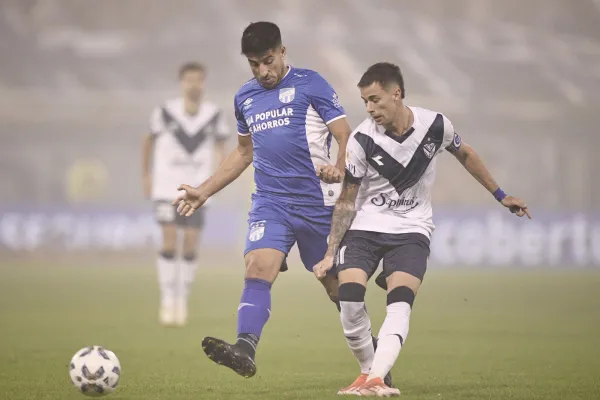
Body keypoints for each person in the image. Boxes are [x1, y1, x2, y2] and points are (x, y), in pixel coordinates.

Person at [313, 62, 531, 397]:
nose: (369, 108)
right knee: (350, 297)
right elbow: (347, 200)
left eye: (375, 99)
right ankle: (368, 373)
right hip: (366, 228)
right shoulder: (361, 139)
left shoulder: (436, 125)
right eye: (365, 101)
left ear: (396, 94)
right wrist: (330, 253)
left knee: (399, 302)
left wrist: (500, 195)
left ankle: (377, 379)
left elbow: (466, 154)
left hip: (412, 230)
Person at [142, 62, 229, 327]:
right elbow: (148, 141)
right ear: (181, 83)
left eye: (199, 80)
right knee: (169, 239)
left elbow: (222, 149)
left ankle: (183, 297)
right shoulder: (165, 112)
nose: (194, 84)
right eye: (189, 80)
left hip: (199, 189)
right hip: (166, 187)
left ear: (204, 82)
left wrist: (219, 180)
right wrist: (146, 175)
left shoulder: (214, 115)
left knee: (190, 242)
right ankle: (168, 298)